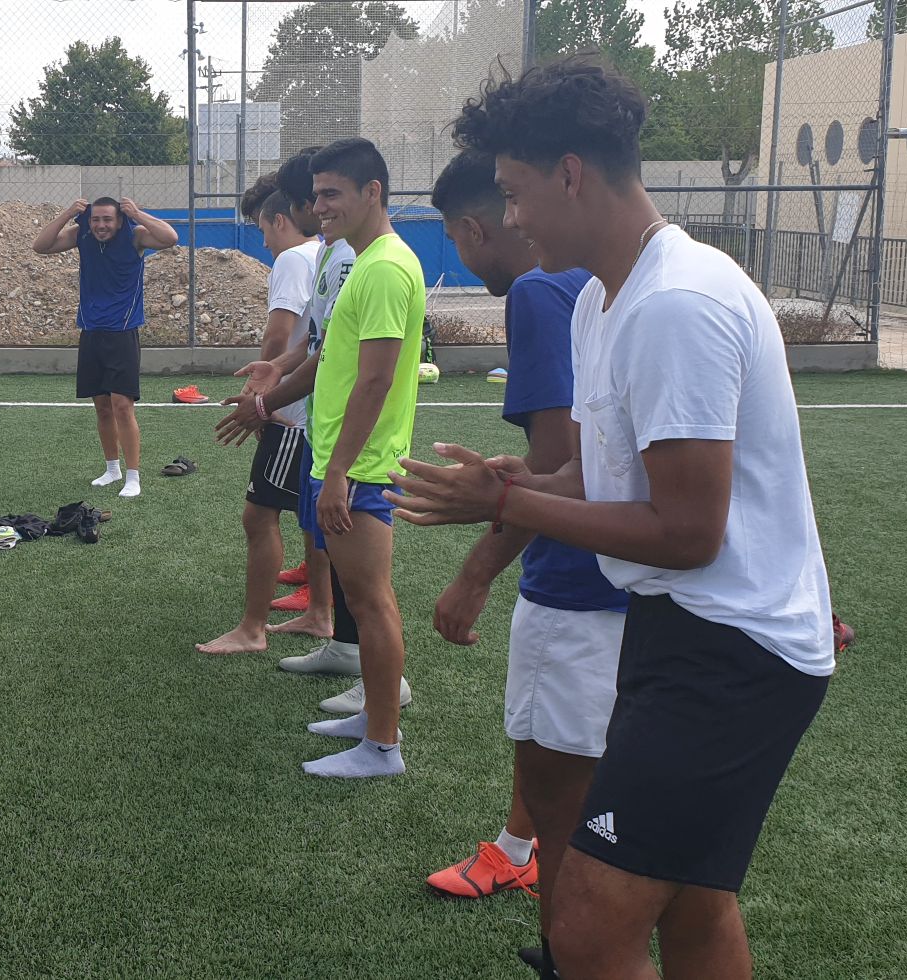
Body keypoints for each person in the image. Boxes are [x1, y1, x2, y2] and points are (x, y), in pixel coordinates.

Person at [388, 56, 834, 979]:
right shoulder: (601, 297)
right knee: (695, 901)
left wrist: (506, 504)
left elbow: (688, 533)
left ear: (570, 175)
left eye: (515, 193)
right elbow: (599, 477)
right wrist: (522, 482)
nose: (511, 218)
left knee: (589, 925)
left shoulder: (675, 303)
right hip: (678, 630)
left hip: (733, 651)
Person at [418, 150, 627, 945]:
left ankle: (569, 947)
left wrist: (474, 574)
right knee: (561, 756)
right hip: (644, 581)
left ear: (475, 228)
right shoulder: (616, 278)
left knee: (563, 786)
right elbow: (581, 459)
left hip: (577, 581)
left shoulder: (540, 290)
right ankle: (513, 849)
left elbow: (557, 461)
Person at [284, 138, 425, 778]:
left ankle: (382, 747)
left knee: (370, 603)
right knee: (366, 602)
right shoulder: (367, 262)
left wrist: (339, 470)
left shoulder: (386, 267)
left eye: (332, 194)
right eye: (316, 195)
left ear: (373, 192)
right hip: (345, 460)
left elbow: (376, 379)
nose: (320, 207)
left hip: (361, 467)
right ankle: (373, 716)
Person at [197, 176, 324, 656]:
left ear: (281, 219)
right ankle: (320, 612)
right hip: (307, 405)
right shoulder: (326, 254)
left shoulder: (293, 259)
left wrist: (258, 396)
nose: (264, 242)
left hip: (292, 411)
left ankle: (252, 630)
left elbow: (280, 333)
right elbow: (318, 339)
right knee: (310, 515)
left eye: (263, 229)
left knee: (259, 515)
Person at [30, 195, 179, 498]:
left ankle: (133, 476)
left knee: (122, 405)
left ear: (120, 220)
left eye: (108, 219)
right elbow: (40, 246)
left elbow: (170, 238)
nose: (101, 225)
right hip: (91, 331)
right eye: (96, 219)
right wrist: (68, 213)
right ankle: (112, 469)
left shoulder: (136, 236)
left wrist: (137, 213)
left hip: (122, 332)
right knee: (101, 406)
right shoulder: (81, 234)